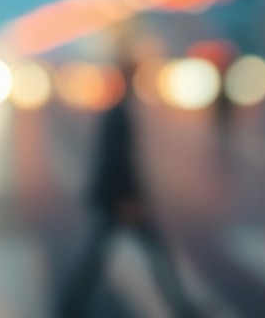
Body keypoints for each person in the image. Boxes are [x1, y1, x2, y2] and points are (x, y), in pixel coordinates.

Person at [56, 42, 199, 318]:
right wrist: (129, 199)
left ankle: (70, 304)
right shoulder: (118, 113)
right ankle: (182, 307)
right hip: (120, 200)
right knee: (149, 255)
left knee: (102, 257)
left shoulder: (118, 110)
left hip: (115, 198)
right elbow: (117, 162)